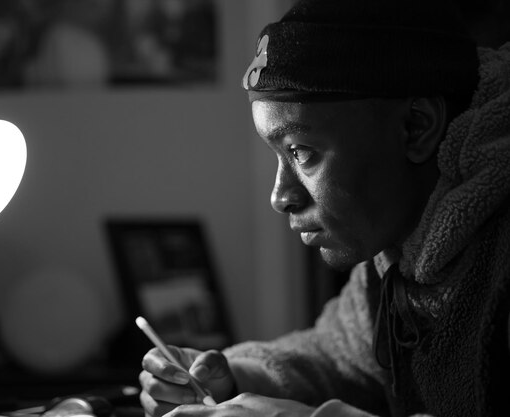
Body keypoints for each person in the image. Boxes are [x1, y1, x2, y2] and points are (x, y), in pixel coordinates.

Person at [138, 0, 510, 415]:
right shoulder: (398, 251)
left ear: (416, 126)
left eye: (301, 151)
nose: (280, 197)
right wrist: (234, 378)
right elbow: (339, 357)